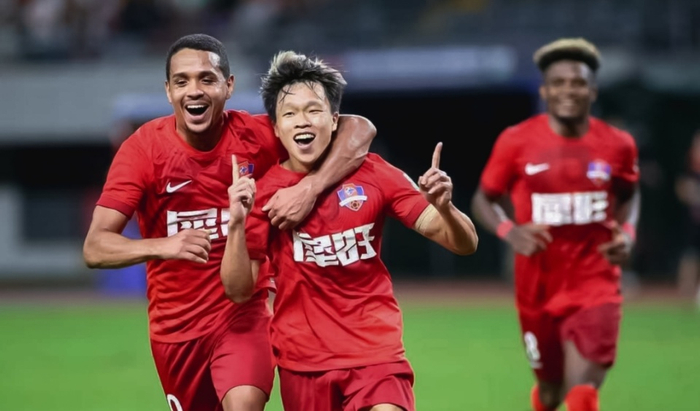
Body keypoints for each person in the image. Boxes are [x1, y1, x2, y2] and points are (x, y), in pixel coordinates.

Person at [82, 34, 377, 411]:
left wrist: (311, 187)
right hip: (176, 330)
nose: (195, 90)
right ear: (169, 91)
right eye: (182, 81)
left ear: (229, 86)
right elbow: (95, 247)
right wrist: (163, 245)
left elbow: (359, 128)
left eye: (207, 79)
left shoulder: (258, 137)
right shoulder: (143, 151)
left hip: (243, 315)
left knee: (243, 404)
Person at [221, 51, 478, 411]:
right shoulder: (264, 194)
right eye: (290, 114)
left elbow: (464, 243)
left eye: (313, 110)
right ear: (277, 128)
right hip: (303, 362)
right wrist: (236, 223)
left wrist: (446, 208)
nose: (302, 121)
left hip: (376, 354)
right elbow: (238, 290)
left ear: (334, 120)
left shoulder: (375, 173)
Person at [470, 38, 640, 411]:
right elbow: (483, 198)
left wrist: (627, 234)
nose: (568, 91)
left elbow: (630, 194)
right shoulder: (516, 141)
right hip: (537, 285)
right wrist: (509, 231)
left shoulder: (618, 145)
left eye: (578, 83)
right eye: (559, 83)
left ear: (592, 91)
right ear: (545, 91)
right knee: (550, 392)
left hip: (595, 281)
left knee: (581, 392)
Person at [675, 129, 700, 307]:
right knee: (690, 254)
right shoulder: (690, 167)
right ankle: (685, 294)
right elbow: (681, 189)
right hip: (693, 220)